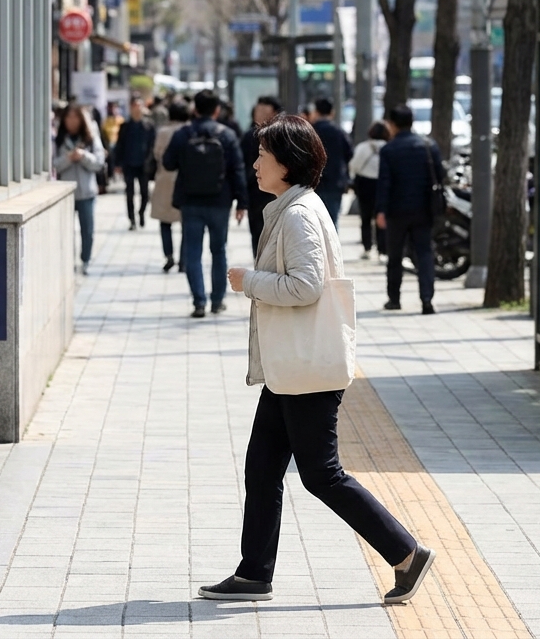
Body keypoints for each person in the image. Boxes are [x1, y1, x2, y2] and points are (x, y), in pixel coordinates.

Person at [200, 113, 435, 605]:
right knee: (262, 468)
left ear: (287, 163)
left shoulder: (300, 214)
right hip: (291, 369)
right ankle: (253, 573)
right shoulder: (291, 207)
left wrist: (250, 282)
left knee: (321, 474)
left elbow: (306, 287)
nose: (255, 163)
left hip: (306, 371)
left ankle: (407, 553)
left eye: (263, 155)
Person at [163, 90, 249, 318]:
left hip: (190, 201)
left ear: (195, 109)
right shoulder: (227, 135)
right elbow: (237, 170)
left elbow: (168, 163)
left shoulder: (183, 134)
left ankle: (199, 301)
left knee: (193, 252)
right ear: (217, 110)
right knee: (219, 250)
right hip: (220, 201)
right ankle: (218, 300)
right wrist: (242, 202)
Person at [377, 104, 446, 316]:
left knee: (395, 255)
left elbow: (385, 183)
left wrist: (380, 211)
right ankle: (427, 299)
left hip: (397, 211)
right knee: (424, 253)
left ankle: (394, 299)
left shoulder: (389, 150)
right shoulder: (428, 145)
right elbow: (440, 175)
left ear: (392, 124)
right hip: (424, 209)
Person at [53, 104, 107, 275]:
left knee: (87, 230)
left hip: (87, 192)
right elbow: (53, 165)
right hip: (66, 193)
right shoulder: (58, 140)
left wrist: (83, 156)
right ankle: (68, 262)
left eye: (76, 117)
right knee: (66, 232)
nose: (72, 121)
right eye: (68, 117)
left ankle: (85, 260)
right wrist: (69, 158)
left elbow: (99, 162)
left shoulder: (91, 138)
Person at [240, 96, 283, 256]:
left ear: (275, 113)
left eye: (264, 111)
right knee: (258, 233)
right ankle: (260, 267)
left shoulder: (281, 135)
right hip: (255, 191)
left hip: (276, 191)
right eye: (257, 110)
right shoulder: (249, 136)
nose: (259, 114)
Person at [151, 102, 190, 273]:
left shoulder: (163, 132)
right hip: (184, 179)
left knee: (164, 221)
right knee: (186, 222)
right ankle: (183, 259)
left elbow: (157, 153)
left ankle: (169, 256)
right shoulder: (188, 131)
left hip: (164, 179)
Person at [348, 121, 389, 260]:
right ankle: (382, 250)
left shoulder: (362, 147)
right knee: (381, 216)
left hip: (365, 184)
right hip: (382, 185)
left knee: (365, 218)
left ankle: (367, 248)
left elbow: (354, 165)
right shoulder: (388, 147)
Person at [310, 99, 353, 226]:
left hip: (313, 182)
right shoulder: (339, 132)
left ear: (316, 112)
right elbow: (349, 154)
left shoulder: (310, 131)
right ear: (332, 113)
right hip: (335, 182)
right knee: (332, 221)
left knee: (313, 222)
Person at [114, 98, 155, 230]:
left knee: (144, 193)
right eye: (134, 106)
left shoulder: (149, 126)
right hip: (129, 164)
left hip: (144, 165)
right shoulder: (125, 126)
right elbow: (119, 145)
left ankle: (141, 213)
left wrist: (151, 162)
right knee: (130, 193)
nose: (137, 109)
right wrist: (118, 163)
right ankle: (132, 219)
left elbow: (153, 145)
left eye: (139, 106)